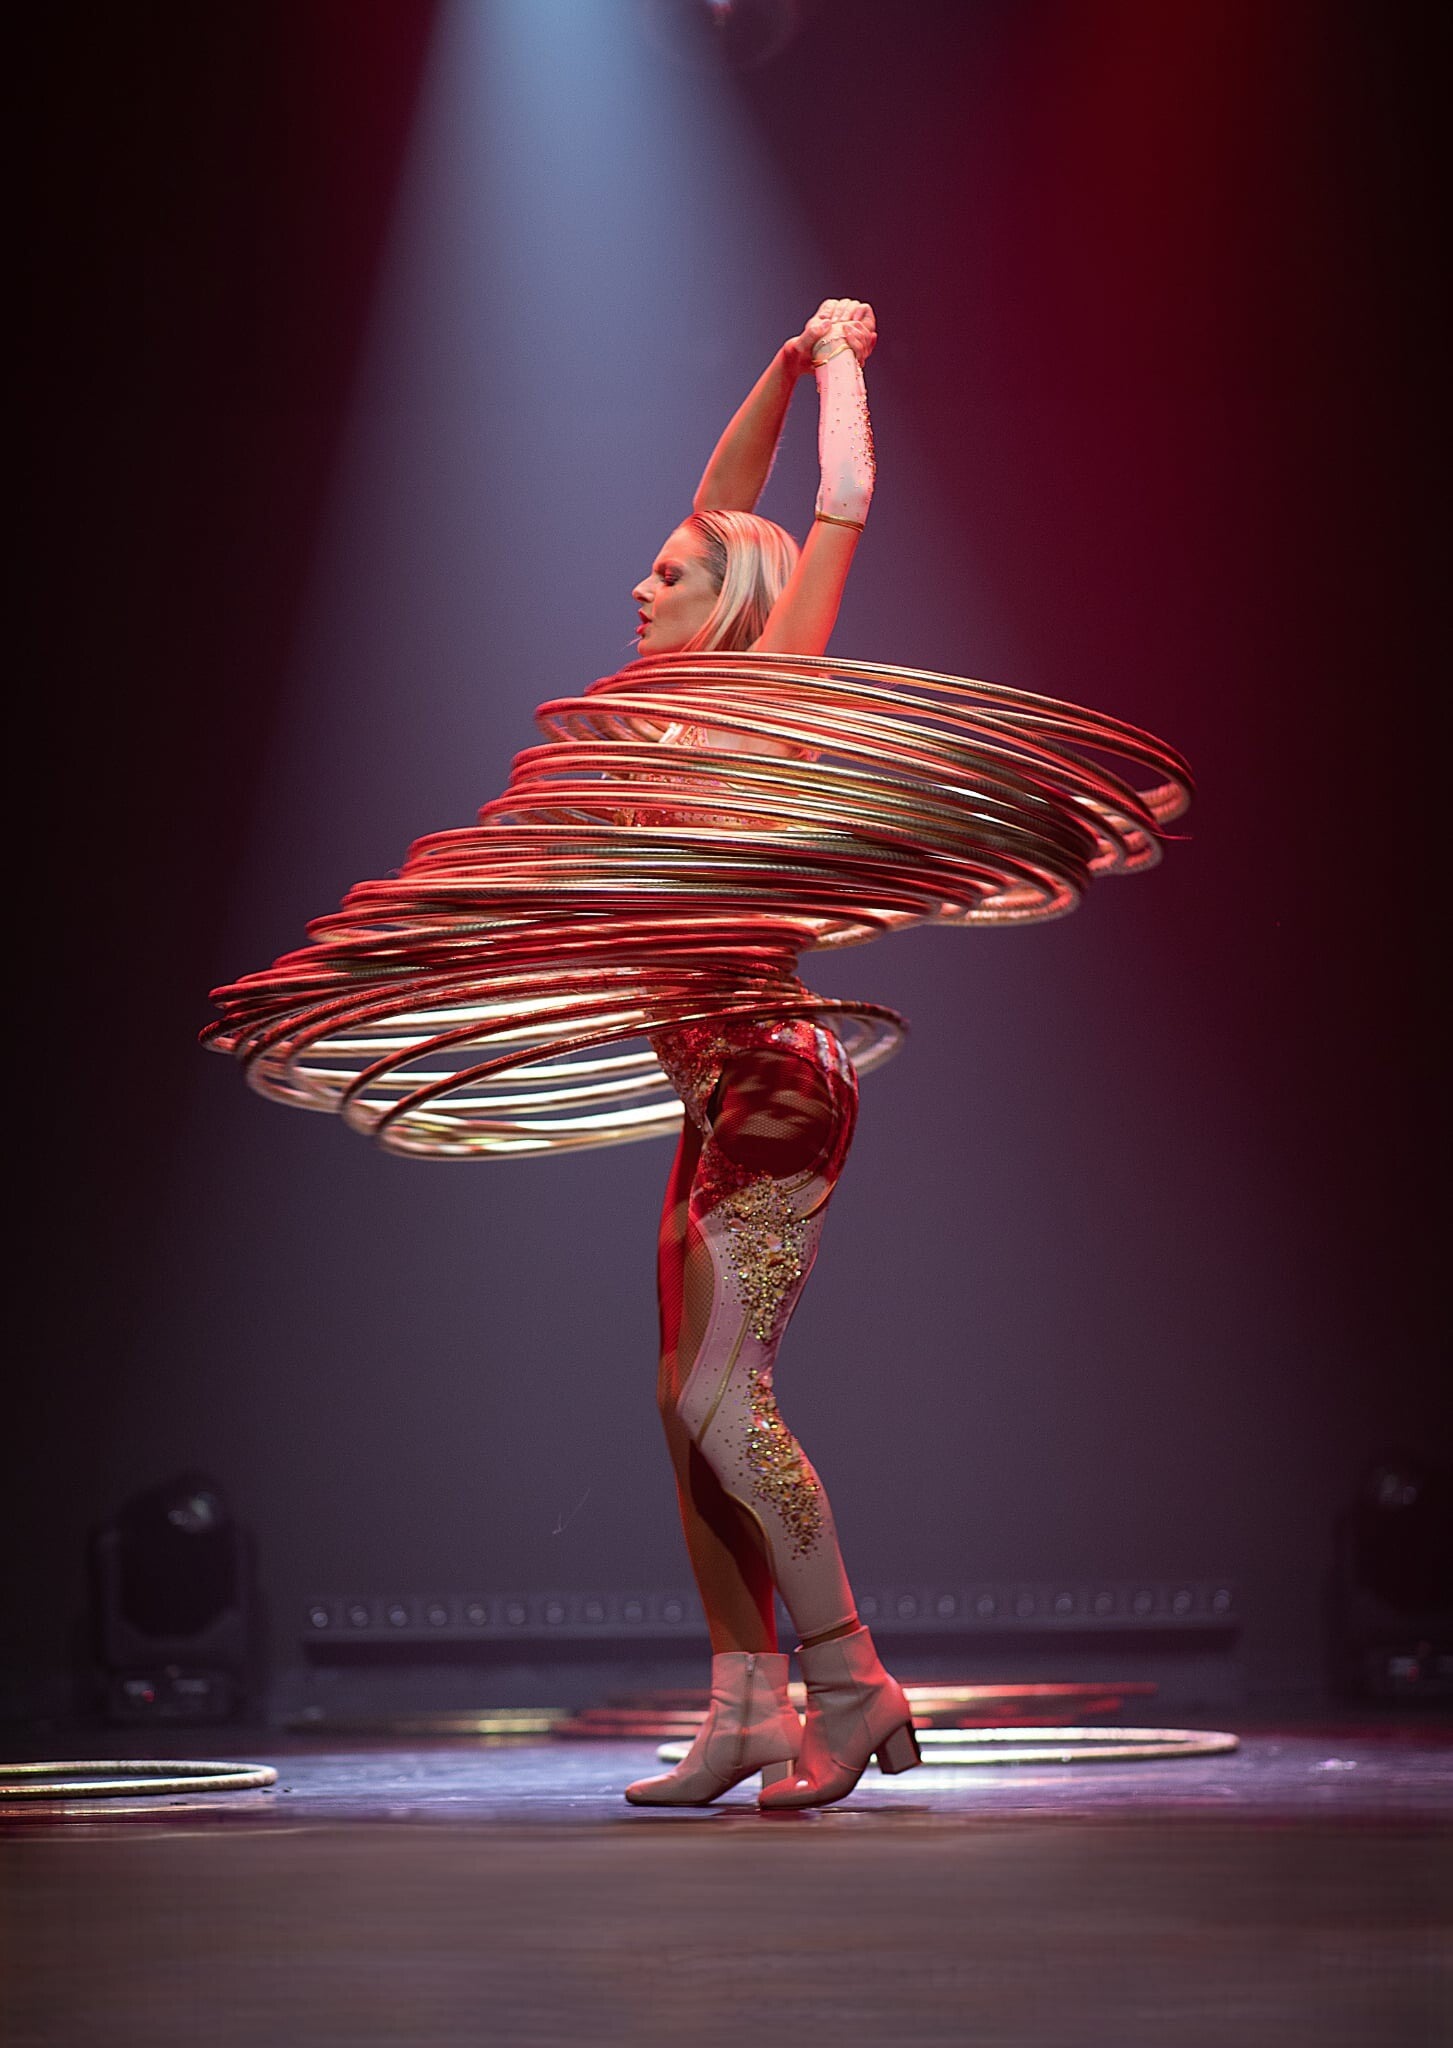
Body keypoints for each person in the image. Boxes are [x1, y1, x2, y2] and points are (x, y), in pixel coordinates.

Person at [618, 299, 922, 1809]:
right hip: (707, 1089)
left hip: (774, 1083)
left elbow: (837, 500)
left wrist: (842, 363)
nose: (639, 582)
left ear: (726, 601)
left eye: (667, 574)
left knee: (721, 1401)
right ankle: (744, 1706)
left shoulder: (766, 695)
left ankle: (851, 1685)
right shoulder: (663, 718)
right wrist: (780, 366)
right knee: (682, 1405)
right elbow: (718, 495)